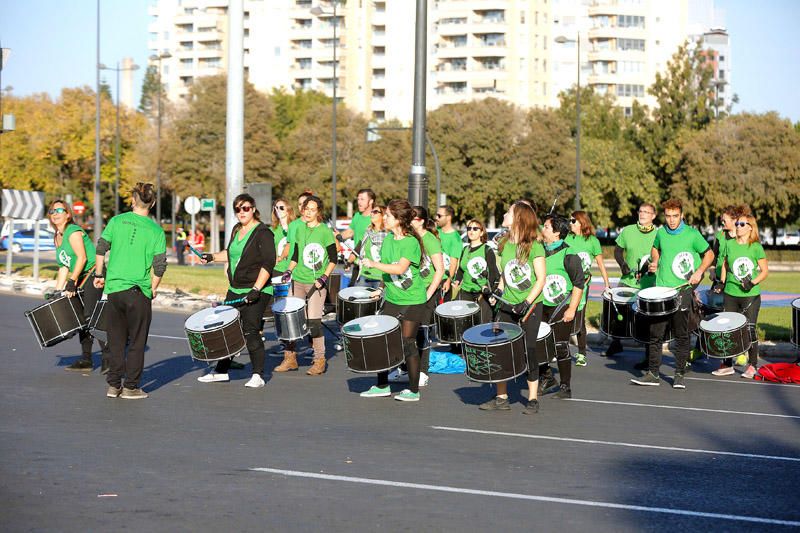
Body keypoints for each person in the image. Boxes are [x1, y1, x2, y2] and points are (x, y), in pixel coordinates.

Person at [631, 198, 714, 390]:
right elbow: (655, 248)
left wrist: (700, 271)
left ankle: (679, 374)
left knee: (681, 334)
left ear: (682, 215)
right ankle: (653, 373)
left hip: (682, 289)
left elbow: (709, 254)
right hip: (661, 290)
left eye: (675, 216)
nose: (671, 220)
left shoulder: (692, 234)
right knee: (655, 334)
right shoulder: (660, 233)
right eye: (668, 216)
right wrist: (655, 260)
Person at [94, 182, 167, 400]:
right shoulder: (156, 230)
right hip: (138, 291)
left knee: (116, 340)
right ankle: (131, 387)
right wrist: (153, 288)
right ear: (152, 203)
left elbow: (101, 248)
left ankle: (113, 385)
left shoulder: (117, 221)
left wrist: (100, 275)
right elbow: (160, 265)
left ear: (133, 200)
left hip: (115, 290)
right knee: (136, 342)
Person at [197, 194, 276, 387]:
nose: (242, 212)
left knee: (250, 329)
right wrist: (212, 257)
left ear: (253, 209)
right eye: (238, 209)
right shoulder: (236, 230)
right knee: (228, 329)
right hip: (235, 289)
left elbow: (268, 262)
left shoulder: (263, 232)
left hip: (257, 289)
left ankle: (258, 375)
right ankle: (221, 371)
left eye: (246, 208)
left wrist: (256, 289)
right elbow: (231, 254)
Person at [359, 199, 429, 402]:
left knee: (408, 343)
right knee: (382, 339)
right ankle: (382, 385)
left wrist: (373, 263)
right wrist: (381, 288)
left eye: (388, 215)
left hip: (413, 299)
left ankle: (414, 391)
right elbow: (387, 270)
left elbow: (399, 269)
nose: (385, 218)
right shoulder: (389, 239)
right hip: (392, 297)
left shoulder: (411, 242)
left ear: (398, 219)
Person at [480, 201, 546, 414]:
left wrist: (526, 303)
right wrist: (498, 293)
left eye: (509, 212)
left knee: (529, 350)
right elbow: (504, 274)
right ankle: (501, 397)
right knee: (501, 349)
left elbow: (541, 279)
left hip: (530, 306)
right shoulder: (505, 244)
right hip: (508, 305)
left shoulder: (534, 246)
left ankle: (533, 398)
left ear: (517, 218)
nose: (505, 214)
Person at [274, 195, 337, 375]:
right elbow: (295, 255)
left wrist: (324, 277)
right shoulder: (299, 229)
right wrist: (288, 271)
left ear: (318, 212)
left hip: (316, 283)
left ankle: (319, 360)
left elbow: (334, 258)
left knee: (314, 321)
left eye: (312, 209)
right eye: (306, 209)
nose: (308, 212)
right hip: (298, 280)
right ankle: (290, 358)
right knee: (290, 319)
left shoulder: (324, 231)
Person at [48, 200, 111, 373]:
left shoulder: (73, 232)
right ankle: (86, 359)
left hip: (92, 274)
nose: (55, 213)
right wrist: (57, 290)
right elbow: (63, 266)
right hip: (78, 278)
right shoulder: (57, 237)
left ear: (68, 214)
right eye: (52, 210)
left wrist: (71, 281)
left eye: (60, 210)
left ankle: (108, 358)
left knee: (91, 316)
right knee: (80, 319)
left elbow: (82, 258)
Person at [537, 214, 586, 399]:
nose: (543, 229)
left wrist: (572, 309)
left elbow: (579, 284)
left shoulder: (569, 254)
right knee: (537, 344)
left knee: (561, 347)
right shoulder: (539, 250)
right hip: (541, 306)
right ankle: (547, 378)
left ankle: (565, 387)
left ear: (557, 233)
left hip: (561, 308)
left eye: (547, 227)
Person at [714, 211, 768, 379]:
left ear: (750, 228)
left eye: (742, 224)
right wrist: (722, 282)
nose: (738, 227)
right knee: (727, 329)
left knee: (749, 330)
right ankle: (727, 364)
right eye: (737, 224)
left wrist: (751, 282)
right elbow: (724, 265)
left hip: (750, 295)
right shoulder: (729, 244)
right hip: (730, 293)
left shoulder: (756, 247)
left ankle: (752, 365)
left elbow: (765, 271)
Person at [606, 203, 658, 362]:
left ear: (653, 216)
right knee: (618, 314)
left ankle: (648, 356)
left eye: (647, 212)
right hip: (627, 281)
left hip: (649, 284)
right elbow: (617, 250)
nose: (643, 214)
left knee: (646, 320)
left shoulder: (659, 234)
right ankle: (616, 343)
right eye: (641, 211)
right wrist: (622, 265)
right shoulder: (628, 230)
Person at [566, 210, 611, 367]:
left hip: (583, 285)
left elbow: (600, 264)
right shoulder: (566, 238)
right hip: (566, 285)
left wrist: (607, 284)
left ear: (581, 222)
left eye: (573, 221)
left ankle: (581, 353)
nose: (570, 223)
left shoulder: (592, 241)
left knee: (579, 320)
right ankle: (562, 350)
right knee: (564, 318)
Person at [452, 218, 500, 324]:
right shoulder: (465, 249)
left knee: (482, 325)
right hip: (465, 291)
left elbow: (493, 273)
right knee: (464, 323)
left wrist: (488, 289)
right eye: (469, 228)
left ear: (481, 232)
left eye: (475, 228)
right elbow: (461, 268)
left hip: (482, 293)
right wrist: (457, 280)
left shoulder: (487, 250)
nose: (471, 231)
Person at [347, 205, 387, 289]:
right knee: (359, 300)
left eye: (375, 212)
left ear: (383, 215)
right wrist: (349, 262)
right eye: (371, 212)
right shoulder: (368, 231)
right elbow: (360, 246)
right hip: (364, 275)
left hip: (380, 278)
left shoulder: (388, 234)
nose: (372, 214)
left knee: (379, 301)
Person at [340, 189, 376, 271]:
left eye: (362, 199)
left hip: (372, 264)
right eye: (358, 199)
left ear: (371, 201)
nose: (359, 202)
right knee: (352, 284)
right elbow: (350, 232)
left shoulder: (375, 218)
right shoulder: (357, 216)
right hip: (358, 263)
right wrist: (333, 236)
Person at [435, 205, 462, 300]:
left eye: (439, 216)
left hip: (443, 280)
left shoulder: (455, 238)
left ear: (449, 217)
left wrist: (448, 281)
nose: (436, 218)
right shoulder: (435, 231)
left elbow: (453, 263)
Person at [271, 198, 295, 279]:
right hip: (277, 268)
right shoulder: (272, 229)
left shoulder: (296, 227)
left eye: (281, 208)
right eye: (276, 208)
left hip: (294, 269)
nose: (278, 210)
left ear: (288, 210)